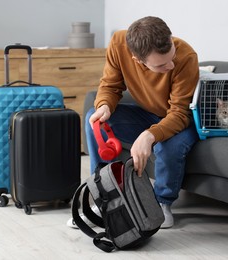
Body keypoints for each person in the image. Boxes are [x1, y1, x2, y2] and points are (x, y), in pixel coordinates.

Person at [68, 16, 199, 229]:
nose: (171, 64)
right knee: (96, 121)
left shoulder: (186, 56)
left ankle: (161, 204)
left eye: (171, 57)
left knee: (169, 145)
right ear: (138, 60)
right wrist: (104, 107)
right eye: (162, 64)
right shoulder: (119, 44)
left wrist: (149, 135)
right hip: (149, 114)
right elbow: (110, 86)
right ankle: (105, 198)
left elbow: (179, 113)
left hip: (183, 120)